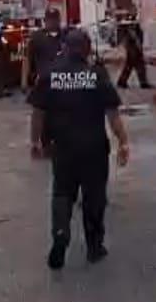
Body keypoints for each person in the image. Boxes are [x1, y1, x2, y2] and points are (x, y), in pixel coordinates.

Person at [29, 28, 130, 270]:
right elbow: (112, 113)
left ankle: (60, 232)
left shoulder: (50, 74)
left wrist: (35, 141)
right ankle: (94, 246)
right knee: (94, 196)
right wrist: (123, 141)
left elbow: (38, 112)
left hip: (63, 147)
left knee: (62, 193)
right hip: (94, 147)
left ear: (65, 48)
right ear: (87, 49)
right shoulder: (96, 74)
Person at [23, 7, 68, 158]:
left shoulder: (66, 36)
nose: (53, 22)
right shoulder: (37, 38)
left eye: (56, 19)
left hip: (63, 81)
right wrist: (24, 80)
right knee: (39, 113)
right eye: (50, 19)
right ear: (45, 20)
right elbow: (27, 59)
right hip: (44, 82)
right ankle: (36, 143)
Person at [116, 12, 151, 89]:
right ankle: (142, 82)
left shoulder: (133, 25)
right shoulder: (129, 26)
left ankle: (122, 81)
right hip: (132, 46)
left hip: (133, 46)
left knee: (131, 65)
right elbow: (130, 36)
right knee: (137, 64)